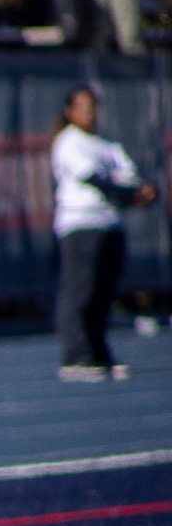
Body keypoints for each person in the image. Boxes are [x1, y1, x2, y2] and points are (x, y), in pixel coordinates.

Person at [51, 85, 156, 380]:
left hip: (109, 225)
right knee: (79, 294)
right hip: (80, 226)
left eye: (93, 106)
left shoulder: (107, 144)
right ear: (70, 112)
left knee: (102, 295)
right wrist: (131, 194)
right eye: (83, 107)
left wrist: (146, 191)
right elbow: (98, 181)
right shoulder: (69, 143)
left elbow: (129, 177)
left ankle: (98, 354)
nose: (90, 113)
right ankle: (76, 356)